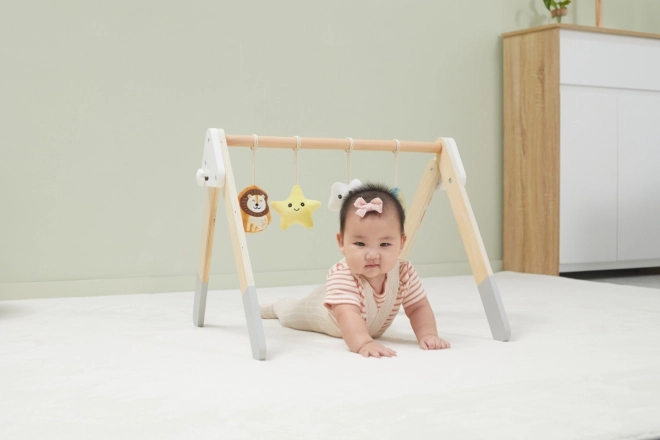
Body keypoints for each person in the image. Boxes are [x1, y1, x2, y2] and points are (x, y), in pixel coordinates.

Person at [260, 182, 451, 358]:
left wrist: (428, 334)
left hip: (366, 323)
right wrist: (364, 343)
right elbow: (347, 314)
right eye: (360, 243)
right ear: (342, 242)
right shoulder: (343, 275)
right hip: (324, 312)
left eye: (384, 244)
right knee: (291, 312)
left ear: (401, 243)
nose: (372, 254)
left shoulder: (404, 272)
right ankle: (272, 307)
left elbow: (418, 307)